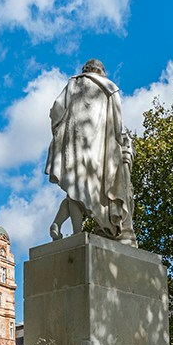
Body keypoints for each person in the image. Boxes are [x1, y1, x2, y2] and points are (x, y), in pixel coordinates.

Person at [47, 58, 136, 241]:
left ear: (85, 70)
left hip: (74, 146)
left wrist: (57, 128)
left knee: (75, 188)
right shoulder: (110, 88)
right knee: (93, 193)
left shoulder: (74, 83)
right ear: (101, 72)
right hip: (100, 152)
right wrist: (121, 146)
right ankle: (78, 234)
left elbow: (57, 109)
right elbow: (117, 125)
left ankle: (73, 231)